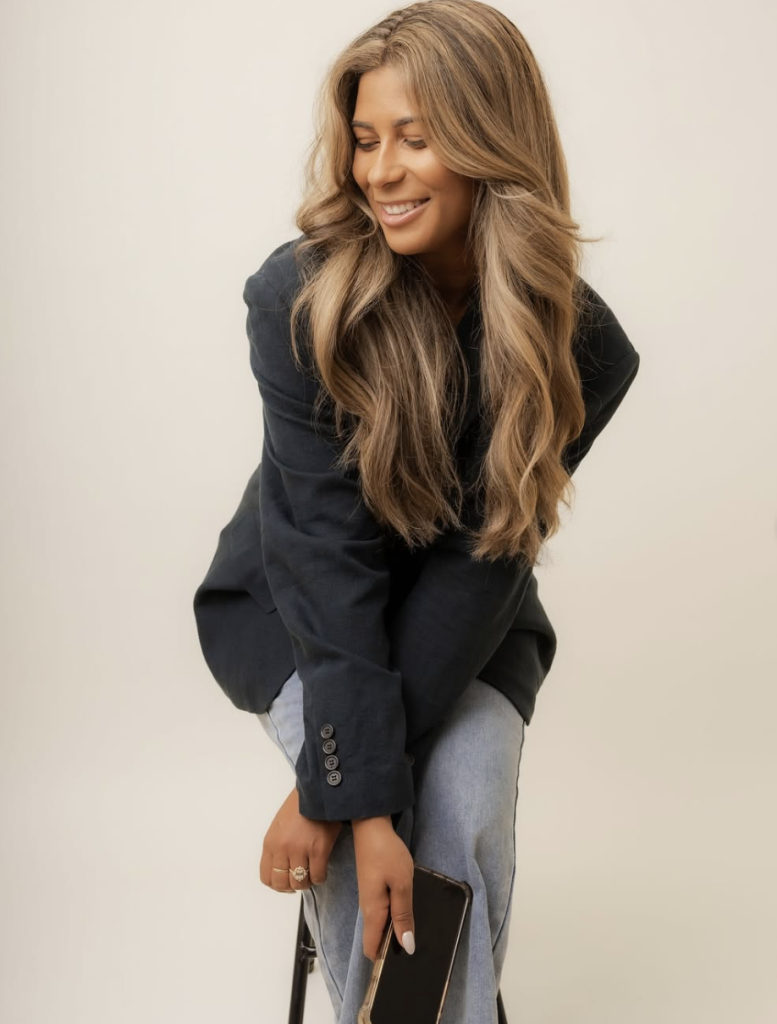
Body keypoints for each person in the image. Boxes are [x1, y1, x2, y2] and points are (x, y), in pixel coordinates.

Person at [192, 2, 641, 1021]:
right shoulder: (302, 301)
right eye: (363, 138)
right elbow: (325, 555)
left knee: (463, 797)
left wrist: (339, 787)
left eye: (416, 136)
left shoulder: (582, 347)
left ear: (492, 141)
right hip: (304, 616)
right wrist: (348, 790)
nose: (380, 171)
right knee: (368, 837)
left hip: (466, 633)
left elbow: (478, 573)